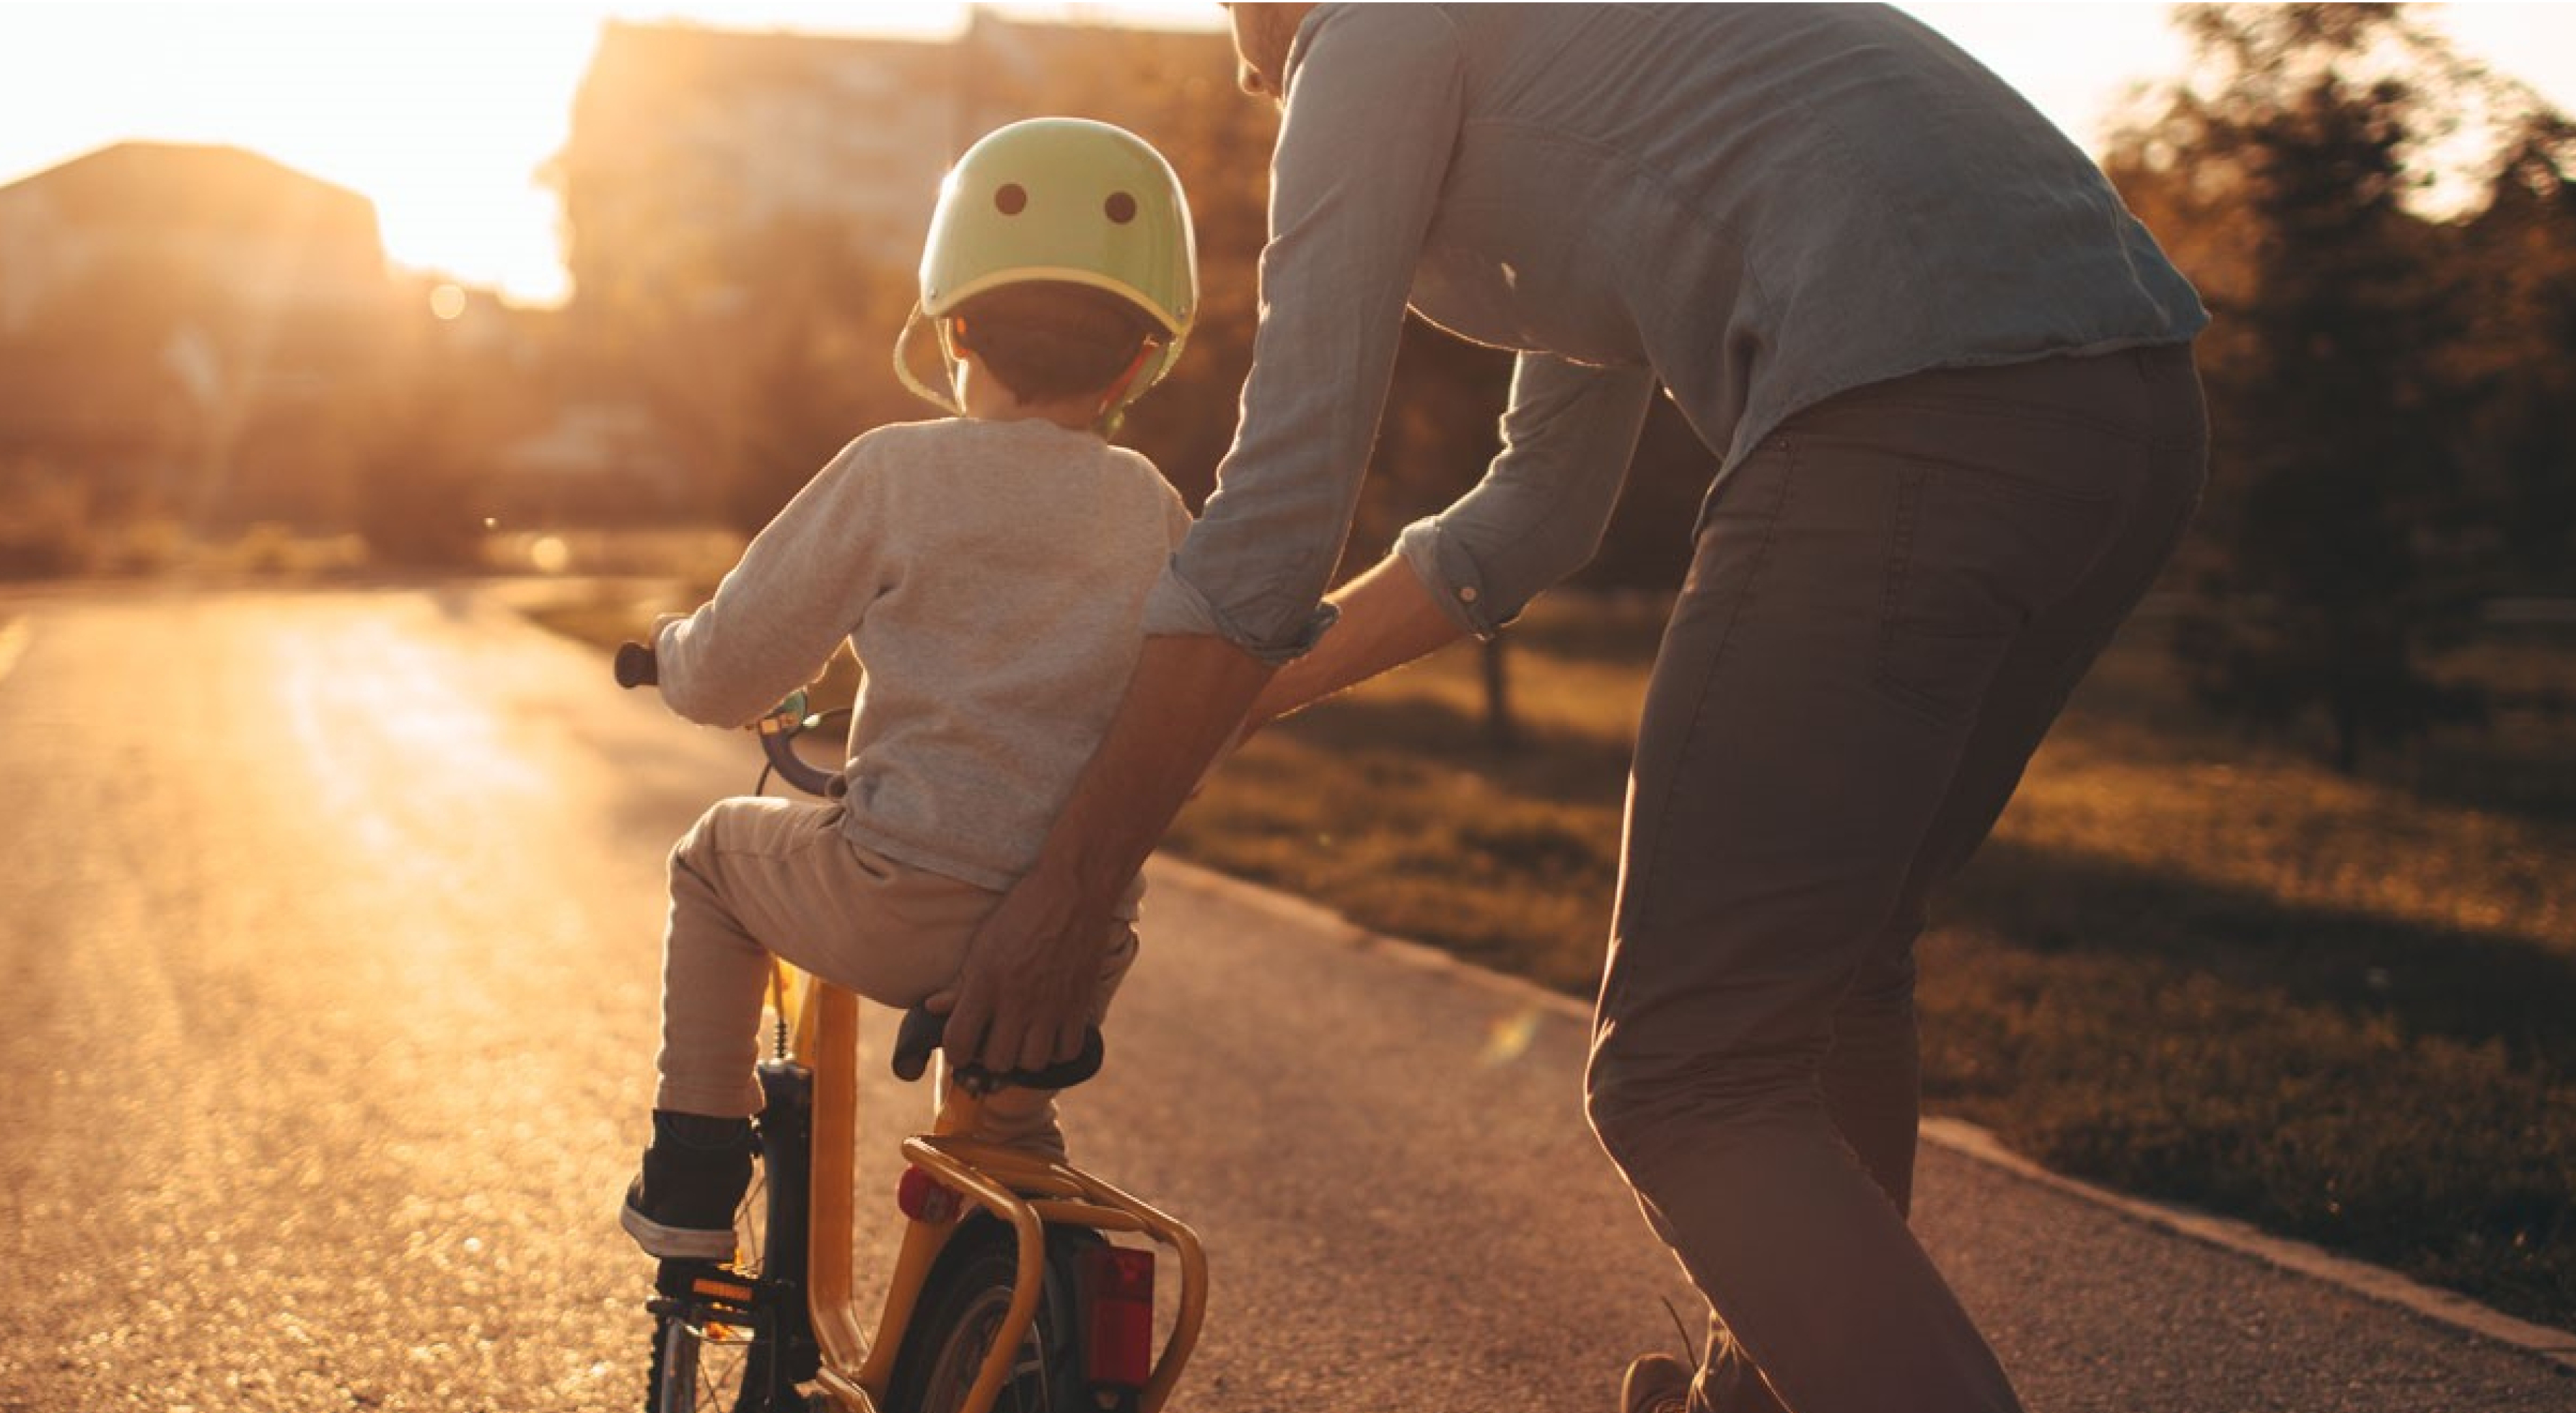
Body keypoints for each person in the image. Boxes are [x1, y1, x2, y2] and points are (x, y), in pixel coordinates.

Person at [930, 7, 2209, 1412]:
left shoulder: (1372, 38)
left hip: (1903, 405)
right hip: (2129, 406)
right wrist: (1237, 702)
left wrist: (1071, 881)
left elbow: (1283, 506)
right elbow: (1533, 514)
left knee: (1683, 1077)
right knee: (1834, 973)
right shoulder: (1567, 43)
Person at [618, 117, 1202, 1261]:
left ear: (954, 324)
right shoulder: (1153, 506)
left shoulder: (898, 469)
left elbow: (734, 666)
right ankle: (1011, 1231)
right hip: (1079, 950)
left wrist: (676, 652)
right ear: (1142, 357)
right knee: (1005, 1139)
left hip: (900, 907)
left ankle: (692, 1170)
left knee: (716, 857)